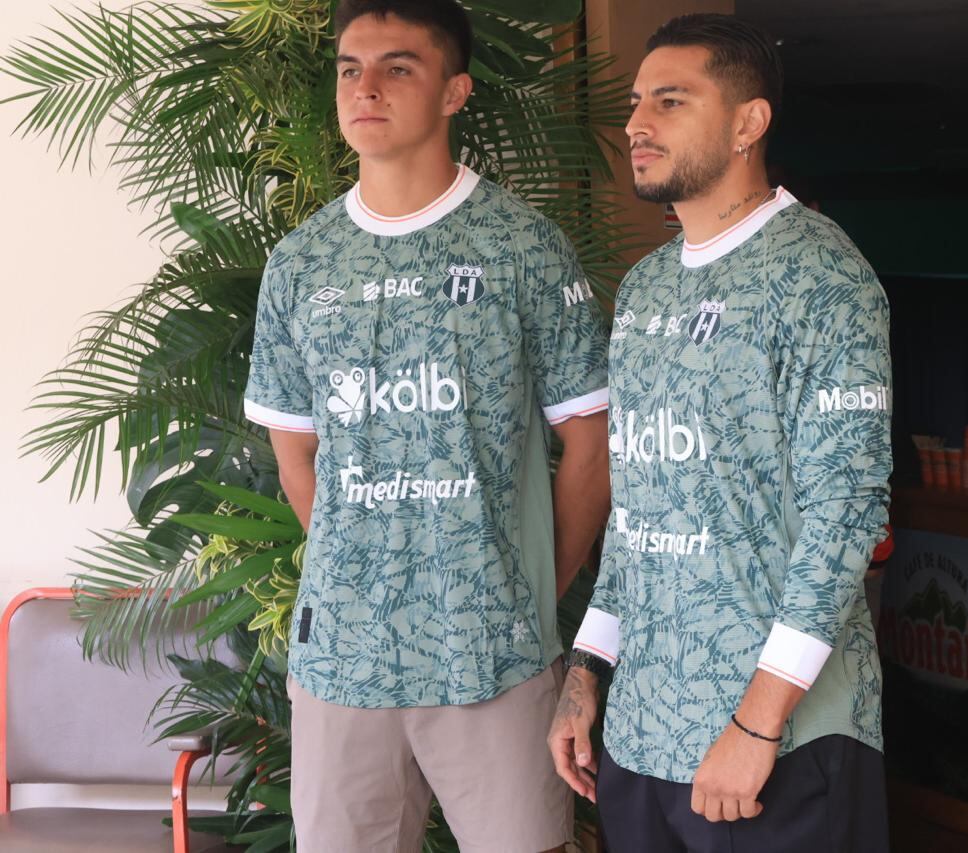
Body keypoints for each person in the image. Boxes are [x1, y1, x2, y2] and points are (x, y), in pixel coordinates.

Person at [242, 1, 611, 850]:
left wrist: (525, 589)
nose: (364, 87)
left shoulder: (523, 245)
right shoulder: (300, 262)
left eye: (397, 67)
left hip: (495, 653)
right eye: (349, 68)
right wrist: (360, 572)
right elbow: (295, 448)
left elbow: (592, 444)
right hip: (341, 657)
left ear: (454, 92)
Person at [548, 14, 893, 852]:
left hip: (779, 746)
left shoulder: (822, 274)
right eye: (637, 103)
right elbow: (640, 507)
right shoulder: (645, 290)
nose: (637, 123)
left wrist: (757, 723)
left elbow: (845, 518)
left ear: (748, 123)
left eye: (671, 100)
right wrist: (588, 671)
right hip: (641, 740)